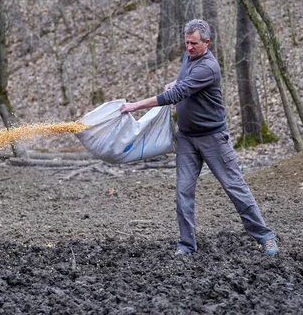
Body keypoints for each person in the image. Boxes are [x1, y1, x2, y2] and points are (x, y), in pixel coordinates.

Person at [119, 19, 278, 257]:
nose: (189, 47)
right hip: (186, 138)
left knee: (235, 188)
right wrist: (176, 81)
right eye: (186, 42)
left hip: (213, 139)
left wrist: (136, 105)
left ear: (207, 42)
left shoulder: (209, 67)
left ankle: (265, 237)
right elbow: (183, 82)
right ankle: (186, 245)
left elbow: (178, 94)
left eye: (194, 43)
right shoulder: (189, 57)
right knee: (183, 192)